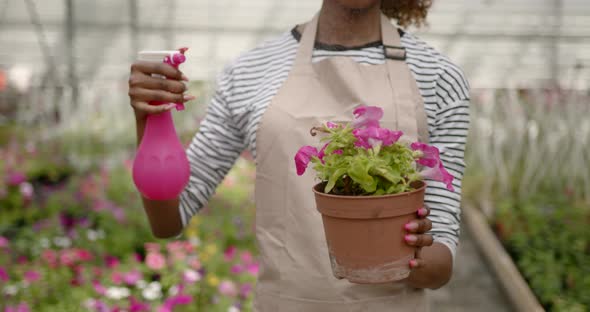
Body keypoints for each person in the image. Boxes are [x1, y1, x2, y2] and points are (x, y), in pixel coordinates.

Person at [128, 0, 469, 310]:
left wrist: (395, 251)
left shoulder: (439, 78)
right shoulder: (249, 73)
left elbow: (440, 265)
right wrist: (152, 119)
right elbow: (169, 220)